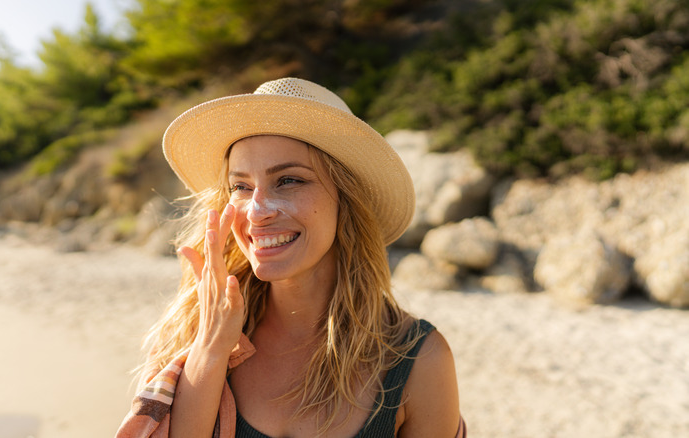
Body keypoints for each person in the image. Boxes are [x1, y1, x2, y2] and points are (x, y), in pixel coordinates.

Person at [116, 78, 465, 438]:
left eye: (288, 181)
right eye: (241, 186)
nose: (256, 211)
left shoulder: (417, 359)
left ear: (346, 199)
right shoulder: (189, 334)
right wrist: (209, 350)